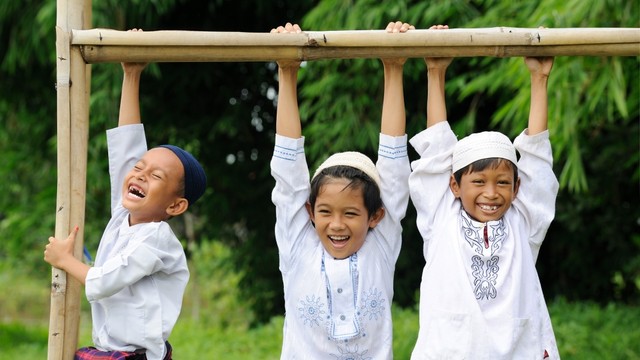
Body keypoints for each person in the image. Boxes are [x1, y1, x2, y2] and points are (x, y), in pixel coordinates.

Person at [44, 30, 205, 360]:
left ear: (175, 205)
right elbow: (127, 147)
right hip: (108, 351)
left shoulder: (156, 238)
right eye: (140, 169)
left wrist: (65, 260)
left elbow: (103, 282)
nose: (140, 174)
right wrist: (131, 73)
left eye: (155, 176)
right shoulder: (125, 215)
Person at [408, 25, 559, 359]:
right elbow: (436, 149)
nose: (491, 193)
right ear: (454, 186)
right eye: (478, 182)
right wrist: (435, 70)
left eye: (503, 183)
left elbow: (536, 158)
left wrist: (539, 78)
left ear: (517, 188)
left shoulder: (524, 222)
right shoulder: (440, 217)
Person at [270, 21, 412, 358]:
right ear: (309, 212)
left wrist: (393, 67)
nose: (336, 224)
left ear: (375, 216)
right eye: (325, 212)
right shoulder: (297, 246)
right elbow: (288, 174)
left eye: (350, 213)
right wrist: (287, 70)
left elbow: (393, 166)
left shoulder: (381, 244)